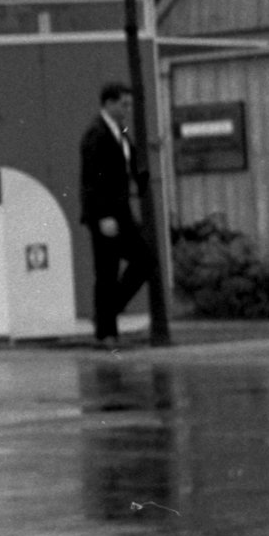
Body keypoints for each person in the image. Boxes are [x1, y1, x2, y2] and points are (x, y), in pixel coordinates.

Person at [80, 80, 155, 346]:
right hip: (106, 215)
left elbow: (129, 164)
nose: (127, 109)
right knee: (107, 271)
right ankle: (107, 332)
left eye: (129, 104)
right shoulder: (96, 134)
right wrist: (102, 217)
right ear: (109, 103)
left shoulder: (119, 131)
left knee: (145, 259)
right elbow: (93, 179)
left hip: (121, 211)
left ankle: (107, 316)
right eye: (123, 104)